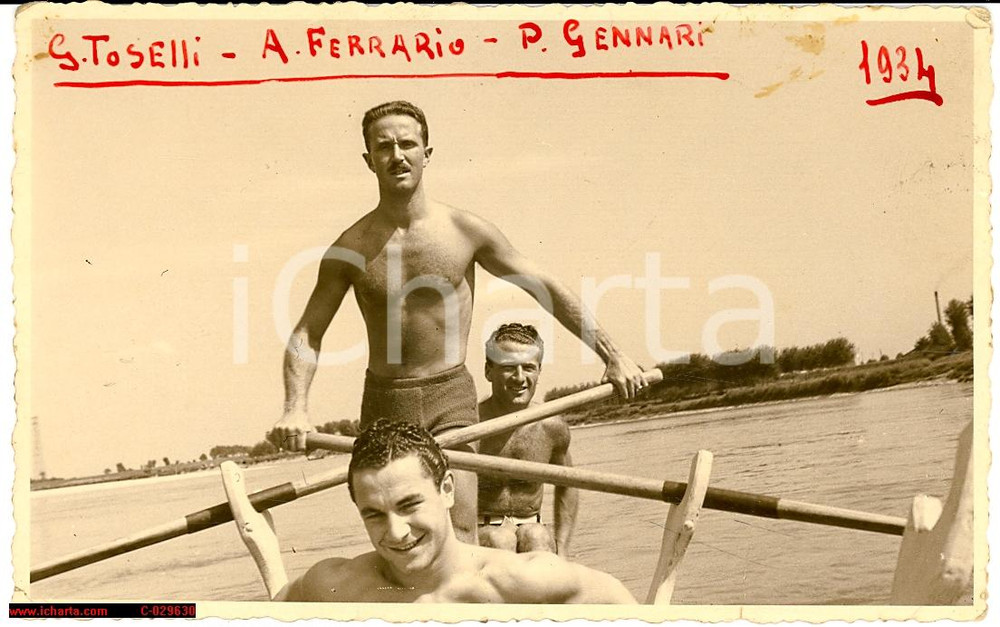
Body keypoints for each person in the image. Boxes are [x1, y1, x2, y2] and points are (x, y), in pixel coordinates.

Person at [269, 100, 650, 543]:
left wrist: (614, 355)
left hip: (450, 398)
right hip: (383, 403)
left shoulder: (465, 231)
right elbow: (307, 333)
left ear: (427, 152)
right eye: (384, 147)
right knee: (398, 540)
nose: (397, 155)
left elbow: (542, 284)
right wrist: (295, 407)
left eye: (408, 144)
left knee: (462, 531)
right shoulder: (348, 248)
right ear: (368, 159)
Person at [275, 419, 636, 603]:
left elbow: (623, 602)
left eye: (409, 505)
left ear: (447, 490)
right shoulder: (334, 584)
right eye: (374, 514)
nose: (396, 531)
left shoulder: (516, 581)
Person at [477, 323, 578, 556]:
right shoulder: (468, 424)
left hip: (532, 530)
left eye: (529, 368)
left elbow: (569, 485)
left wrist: (562, 549)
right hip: (479, 532)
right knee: (499, 538)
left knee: (537, 535)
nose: (520, 377)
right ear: (488, 371)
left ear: (539, 371)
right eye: (509, 367)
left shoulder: (552, 427)